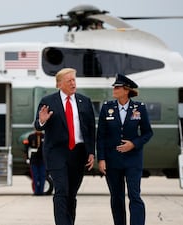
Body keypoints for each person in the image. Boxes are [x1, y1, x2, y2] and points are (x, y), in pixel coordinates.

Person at [34, 68, 95, 225]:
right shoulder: (48, 101)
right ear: (59, 84)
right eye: (69, 81)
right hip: (57, 153)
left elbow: (90, 129)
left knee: (71, 194)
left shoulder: (85, 101)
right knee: (61, 190)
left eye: (74, 80)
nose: (73, 83)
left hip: (78, 153)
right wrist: (42, 121)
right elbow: (38, 126)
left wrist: (91, 152)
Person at [97, 74, 153, 225]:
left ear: (126, 90)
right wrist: (101, 159)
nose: (114, 90)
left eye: (117, 87)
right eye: (114, 87)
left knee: (134, 195)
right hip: (112, 160)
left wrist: (133, 144)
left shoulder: (139, 108)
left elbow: (148, 133)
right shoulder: (107, 107)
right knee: (116, 197)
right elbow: (100, 136)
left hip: (133, 160)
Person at [22, 129, 46, 195]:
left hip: (42, 159)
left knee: (42, 176)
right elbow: (26, 148)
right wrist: (27, 158)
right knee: (35, 176)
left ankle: (41, 191)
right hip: (34, 159)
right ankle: (36, 191)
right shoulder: (31, 136)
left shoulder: (45, 136)